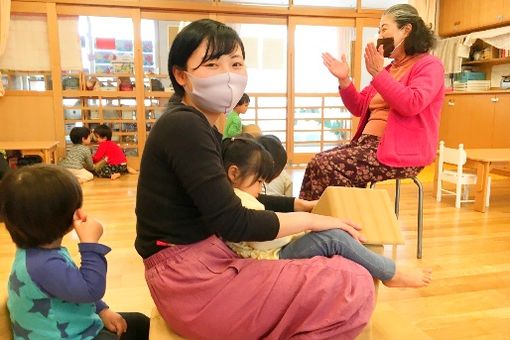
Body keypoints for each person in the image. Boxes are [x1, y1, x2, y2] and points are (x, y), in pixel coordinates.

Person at [135, 18, 375, 339]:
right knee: (351, 282)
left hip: (198, 268)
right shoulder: (185, 126)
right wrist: (310, 220)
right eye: (212, 64)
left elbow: (231, 194)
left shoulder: (200, 123)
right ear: (182, 76)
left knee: (341, 269)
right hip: (193, 282)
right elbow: (235, 221)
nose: (228, 75)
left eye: (235, 63)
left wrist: (297, 204)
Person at [222, 136, 431, 288]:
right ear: (234, 173)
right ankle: (390, 273)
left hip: (276, 248)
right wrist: (303, 226)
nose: (260, 189)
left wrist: (302, 217)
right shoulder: (239, 199)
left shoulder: (235, 194)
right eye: (258, 182)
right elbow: (266, 238)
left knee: (332, 234)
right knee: (335, 238)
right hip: (274, 254)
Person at [300, 4, 445, 200]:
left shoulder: (429, 65)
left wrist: (377, 74)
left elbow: (412, 103)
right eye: (379, 30)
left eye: (384, 29)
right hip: (368, 146)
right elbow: (359, 106)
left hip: (401, 151)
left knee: (326, 165)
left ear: (406, 30)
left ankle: (345, 224)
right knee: (316, 163)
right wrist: (345, 80)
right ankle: (315, 224)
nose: (379, 35)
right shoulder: (388, 70)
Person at [0, 164, 149, 340]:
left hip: (74, 323)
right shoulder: (42, 265)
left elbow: (73, 286)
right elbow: (91, 289)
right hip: (66, 336)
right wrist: (90, 244)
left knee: (140, 324)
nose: (81, 212)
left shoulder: (38, 252)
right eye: (76, 207)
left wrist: (102, 309)